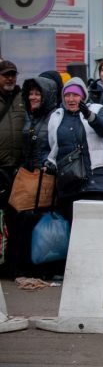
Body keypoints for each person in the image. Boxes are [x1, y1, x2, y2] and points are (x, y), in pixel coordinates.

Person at [45, 77, 103, 221]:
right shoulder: (56, 115)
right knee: (73, 228)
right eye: (67, 95)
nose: (71, 99)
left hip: (96, 180)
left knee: (95, 226)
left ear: (83, 96)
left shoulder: (97, 109)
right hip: (69, 182)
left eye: (75, 95)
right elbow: (52, 145)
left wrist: (90, 116)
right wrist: (49, 162)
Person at [10, 76, 59, 277]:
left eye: (37, 93)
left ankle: (39, 268)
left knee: (39, 223)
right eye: (30, 93)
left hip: (45, 176)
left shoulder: (54, 117)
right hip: (28, 174)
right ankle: (21, 266)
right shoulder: (30, 116)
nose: (33, 97)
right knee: (20, 219)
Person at [0, 59, 25, 278]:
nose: (10, 78)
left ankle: (13, 267)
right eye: (6, 74)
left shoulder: (22, 98)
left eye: (13, 74)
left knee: (16, 220)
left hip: (17, 170)